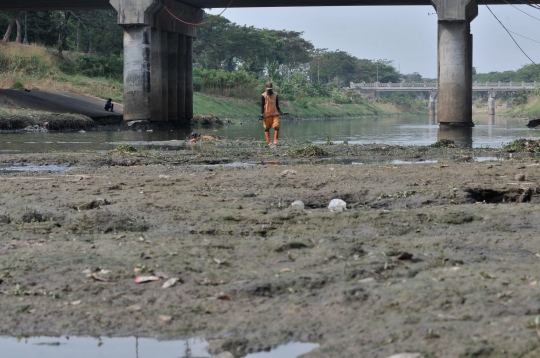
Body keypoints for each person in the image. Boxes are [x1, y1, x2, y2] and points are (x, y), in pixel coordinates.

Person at [261, 82, 282, 148]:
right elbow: (262, 105)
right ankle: (269, 142)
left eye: (270, 89)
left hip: (275, 113)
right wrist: (262, 114)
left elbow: (277, 104)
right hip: (267, 114)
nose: (269, 90)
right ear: (265, 88)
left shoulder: (275, 95)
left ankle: (275, 141)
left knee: (276, 126)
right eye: (268, 89)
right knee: (267, 128)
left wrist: (279, 111)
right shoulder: (263, 95)